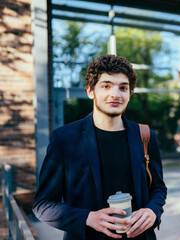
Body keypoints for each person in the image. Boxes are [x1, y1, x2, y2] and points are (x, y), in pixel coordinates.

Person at [33, 54, 167, 240]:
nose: (115, 94)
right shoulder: (64, 139)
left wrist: (152, 211)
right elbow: (43, 205)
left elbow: (158, 188)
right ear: (90, 91)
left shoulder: (145, 136)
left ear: (129, 93)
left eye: (123, 88)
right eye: (106, 86)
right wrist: (88, 218)